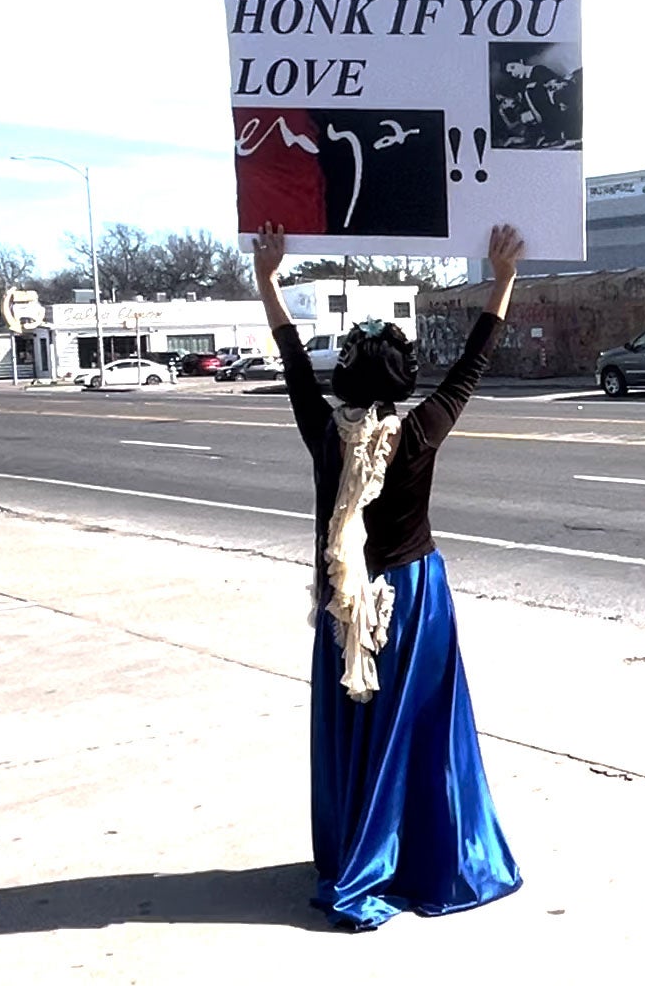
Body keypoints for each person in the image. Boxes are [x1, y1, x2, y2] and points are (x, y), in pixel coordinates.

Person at [254, 221, 525, 931]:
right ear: (405, 381)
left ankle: (359, 851)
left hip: (349, 602)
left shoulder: (323, 432)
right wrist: (501, 278)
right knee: (422, 732)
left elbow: (289, 358)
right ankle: (421, 853)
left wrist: (269, 279)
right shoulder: (422, 430)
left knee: (356, 726)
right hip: (413, 599)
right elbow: (472, 363)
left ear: (343, 376)